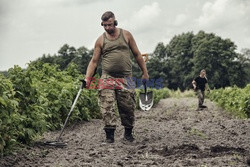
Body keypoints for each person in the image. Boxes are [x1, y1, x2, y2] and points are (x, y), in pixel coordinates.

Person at [85, 11, 149, 143]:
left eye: (110, 25)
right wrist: (87, 78)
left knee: (128, 106)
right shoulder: (100, 40)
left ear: (115, 22)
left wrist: (145, 72)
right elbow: (94, 61)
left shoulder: (126, 35)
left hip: (127, 78)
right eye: (105, 26)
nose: (108, 28)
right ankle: (109, 136)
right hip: (107, 77)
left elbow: (137, 55)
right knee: (106, 106)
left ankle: (128, 134)